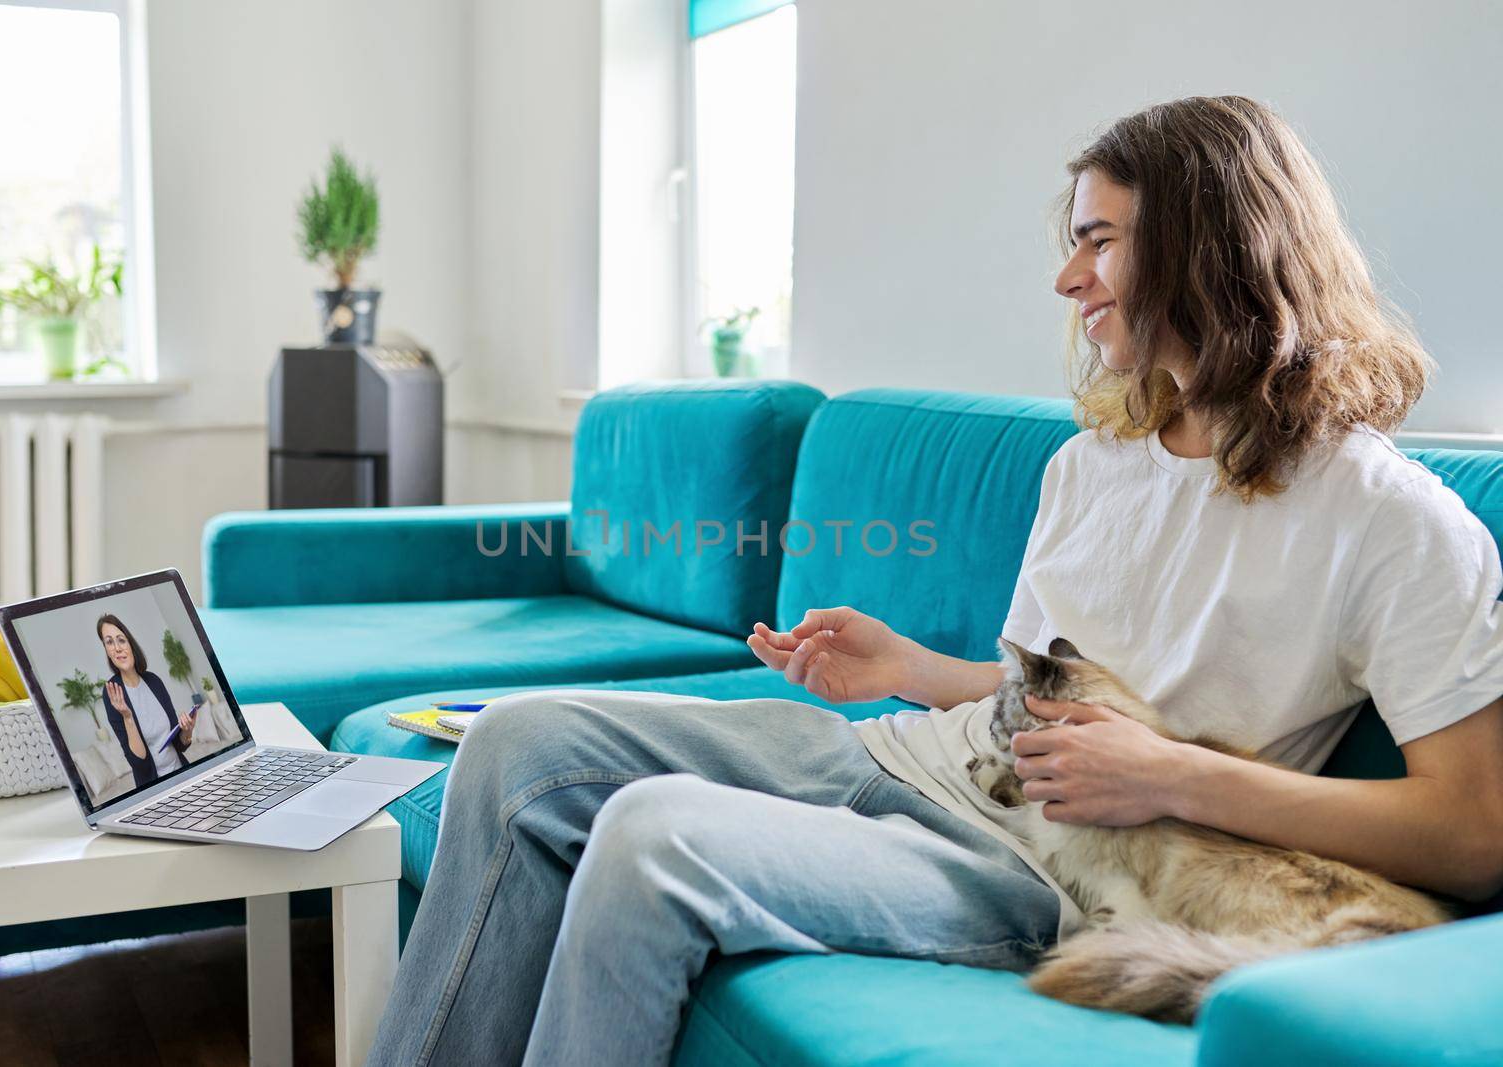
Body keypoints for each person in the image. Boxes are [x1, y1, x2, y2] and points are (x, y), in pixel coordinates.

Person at [365, 96, 1503, 1067]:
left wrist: (1173, 776)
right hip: (906, 758)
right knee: (516, 741)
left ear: (1210, 245)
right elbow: (1027, 703)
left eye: (1098, 241)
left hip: (1042, 860)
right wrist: (906, 668)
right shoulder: (1093, 459)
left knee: (653, 832)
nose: (1069, 278)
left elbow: (1472, 831)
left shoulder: (1392, 522)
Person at [96, 613, 195, 792]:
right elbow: (139, 764)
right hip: (155, 789)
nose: (117, 648)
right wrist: (127, 717)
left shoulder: (154, 681)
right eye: (109, 642)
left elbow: (179, 745)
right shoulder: (112, 692)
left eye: (121, 640)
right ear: (107, 651)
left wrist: (187, 730)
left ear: (131, 644)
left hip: (182, 773)